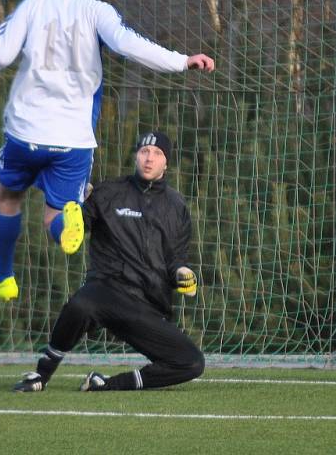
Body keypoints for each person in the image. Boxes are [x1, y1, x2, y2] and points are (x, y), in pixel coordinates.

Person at [0, 0, 215, 303]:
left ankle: (3, 277)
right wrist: (182, 61)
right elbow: (128, 44)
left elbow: (1, 54)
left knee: (7, 198)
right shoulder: (98, 11)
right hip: (72, 139)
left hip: (24, 131)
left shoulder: (32, 6)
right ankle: (68, 225)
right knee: (54, 215)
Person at [13, 130, 204, 392]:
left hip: (147, 306)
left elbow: (177, 261)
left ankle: (104, 384)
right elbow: (76, 228)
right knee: (81, 304)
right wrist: (72, 202)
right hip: (107, 290)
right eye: (144, 152)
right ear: (136, 156)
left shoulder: (177, 206)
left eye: (157, 154)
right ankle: (41, 374)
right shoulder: (108, 193)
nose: (149, 158)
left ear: (166, 162)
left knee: (192, 363)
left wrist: (184, 273)